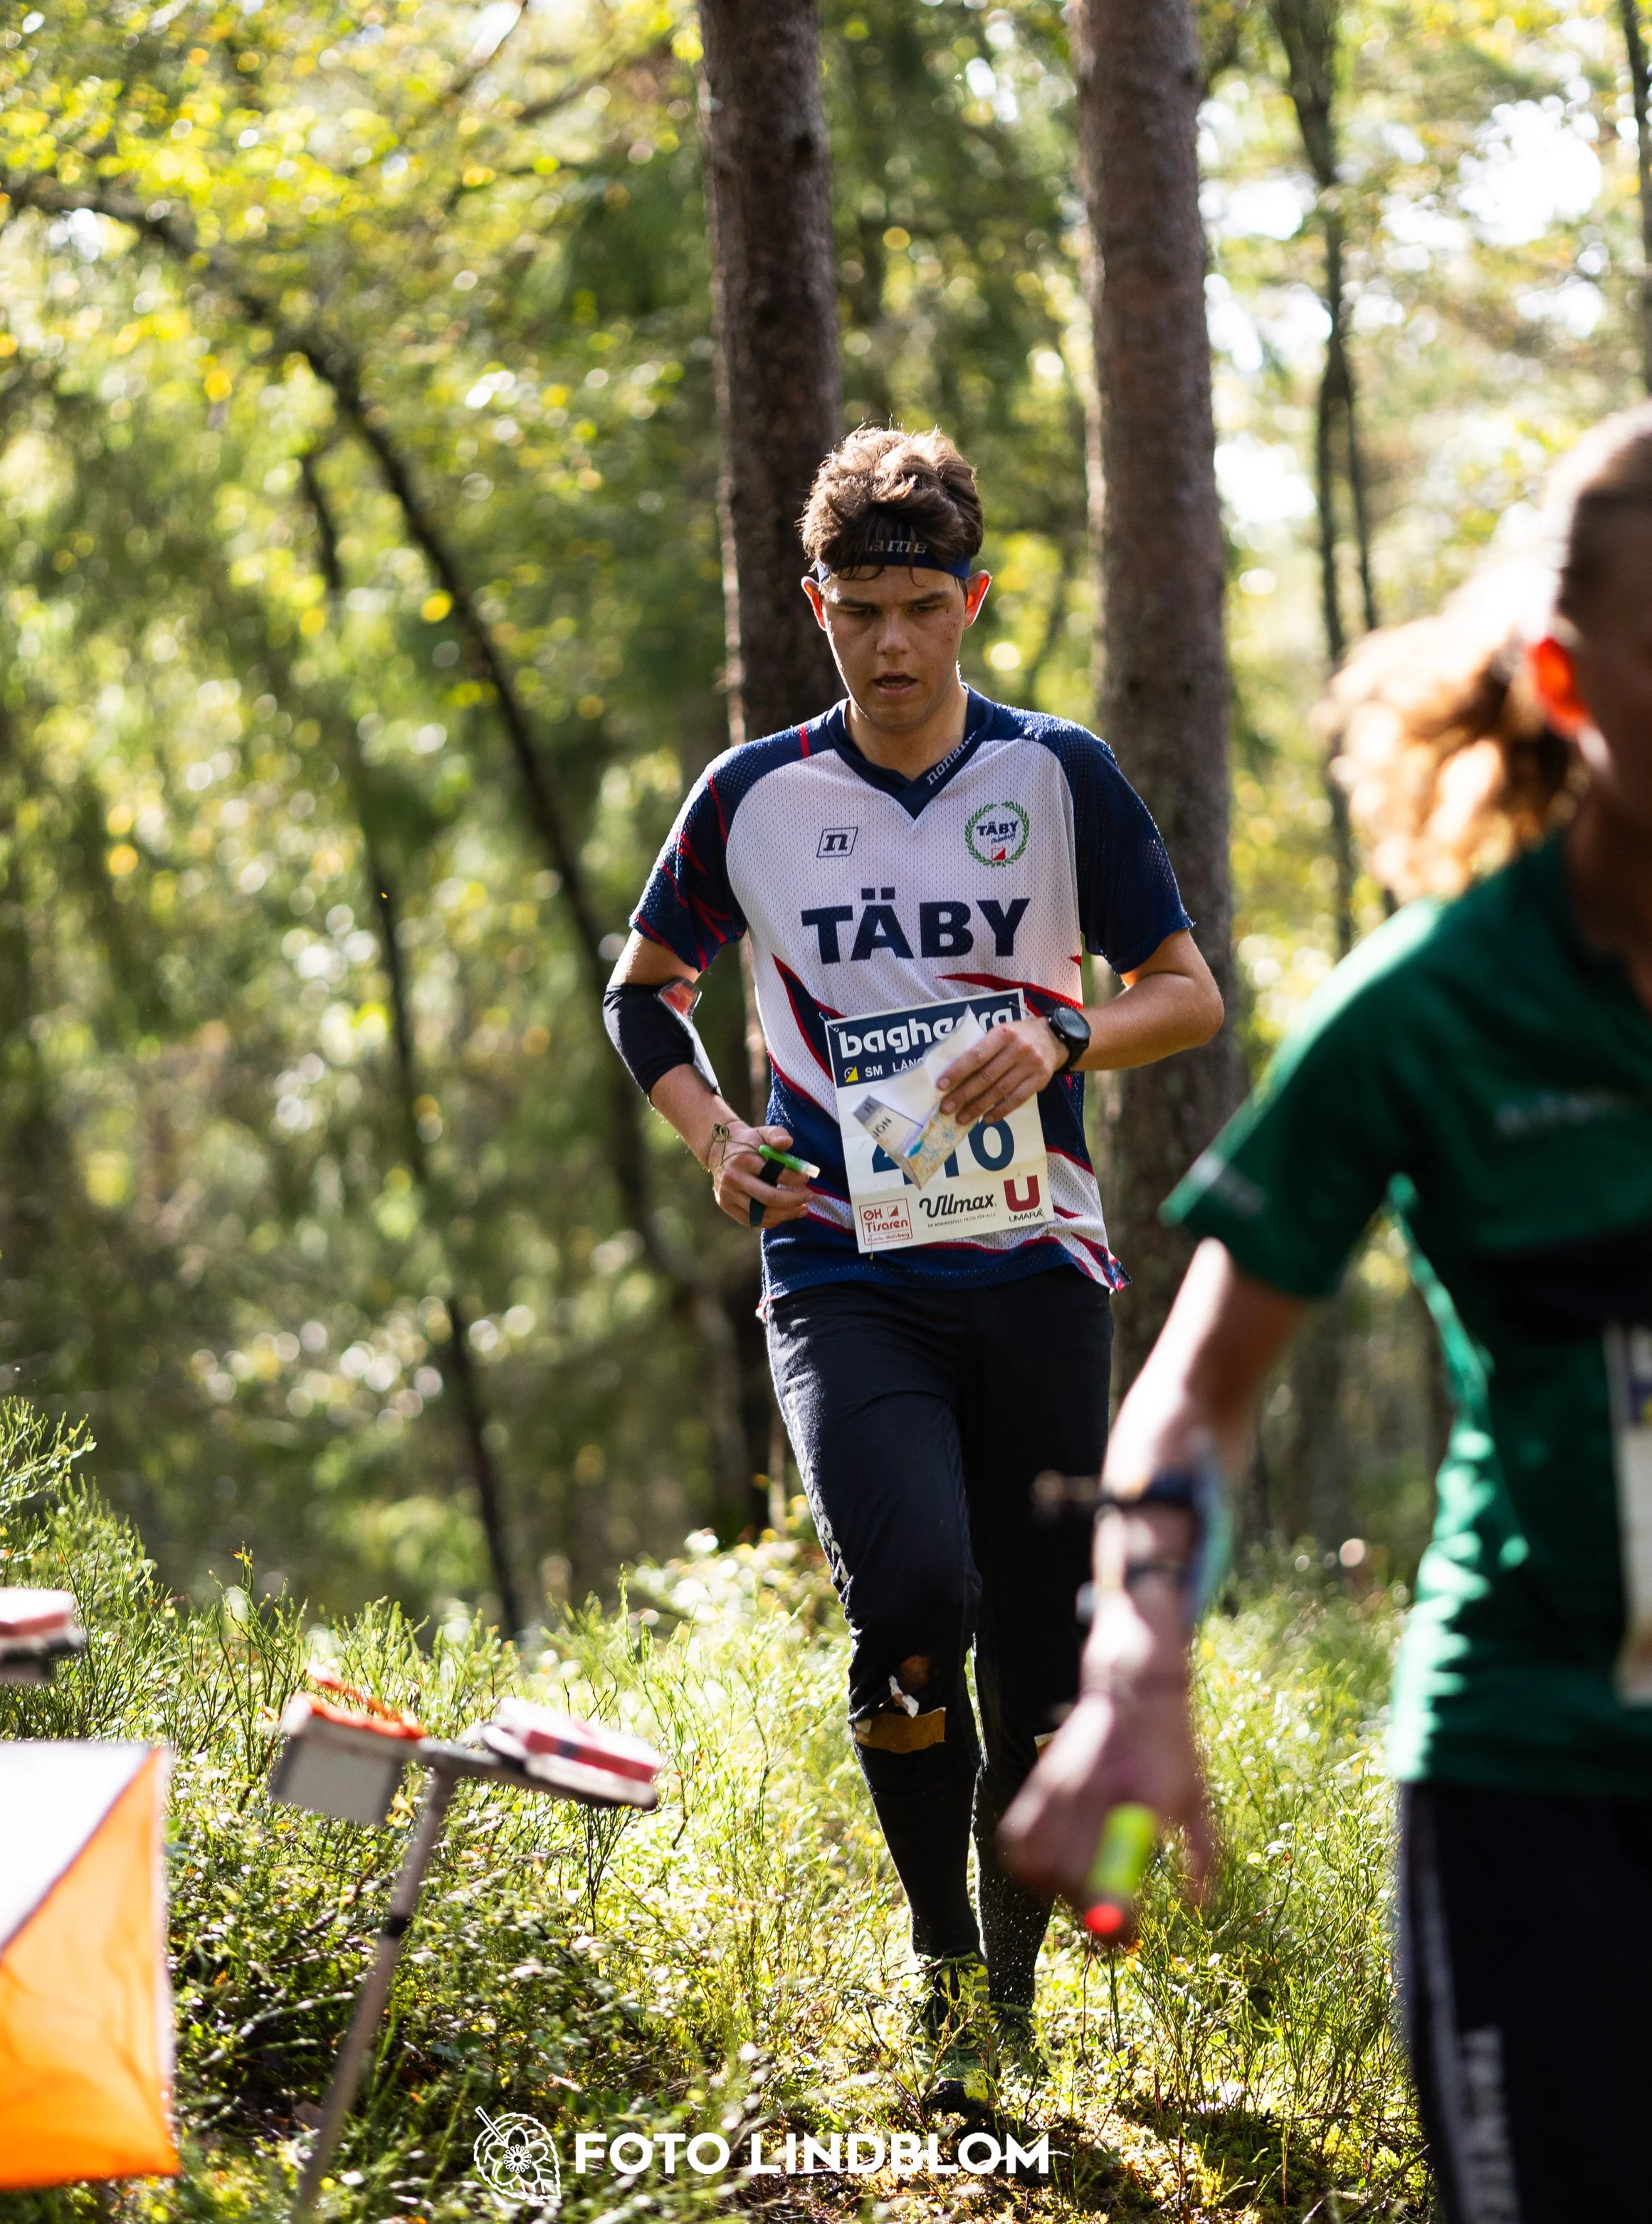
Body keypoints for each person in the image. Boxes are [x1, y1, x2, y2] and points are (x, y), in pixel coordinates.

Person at [1001, 406, 1652, 2218]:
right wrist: (1133, 1668)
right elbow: (1199, 1388)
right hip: (1537, 1796)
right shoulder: (1428, 1013)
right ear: (1562, 672)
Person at [601, 426, 1223, 2107]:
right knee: (912, 1602)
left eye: (919, 607)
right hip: (840, 1269)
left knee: (1033, 1632)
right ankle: (939, 1959)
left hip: (1031, 1263)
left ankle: (1007, 1999)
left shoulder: (1057, 773)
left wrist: (1057, 1033)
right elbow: (639, 988)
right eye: (857, 608)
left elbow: (1189, 990)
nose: (887, 642)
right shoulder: (749, 796)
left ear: (973, 601)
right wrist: (719, 1136)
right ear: (814, 604)